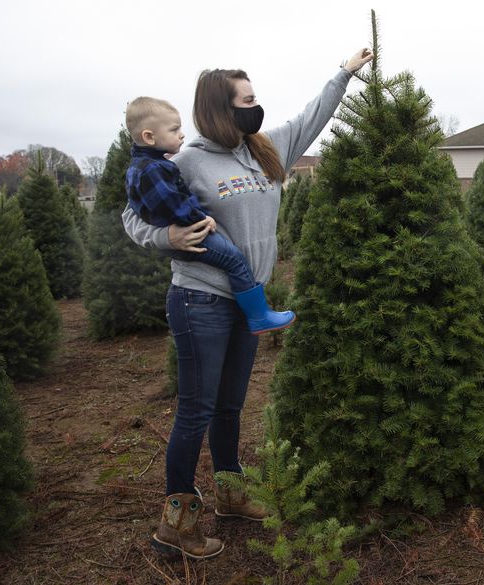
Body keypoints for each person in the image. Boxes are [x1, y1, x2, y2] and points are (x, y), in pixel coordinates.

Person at [122, 48, 373, 559]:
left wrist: (343, 73)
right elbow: (131, 216)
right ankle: (177, 521)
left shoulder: (265, 148)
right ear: (220, 108)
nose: (256, 108)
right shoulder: (186, 158)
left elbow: (311, 116)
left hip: (247, 301)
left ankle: (231, 494)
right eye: (248, 100)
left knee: (232, 405)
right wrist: (167, 235)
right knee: (196, 410)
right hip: (201, 299)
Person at [124, 96, 295, 335]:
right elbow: (172, 205)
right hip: (193, 232)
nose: (182, 134)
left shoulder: (148, 165)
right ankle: (258, 315)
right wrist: (199, 218)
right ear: (149, 137)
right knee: (234, 259)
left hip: (188, 230)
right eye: (174, 130)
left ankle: (257, 313)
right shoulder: (155, 169)